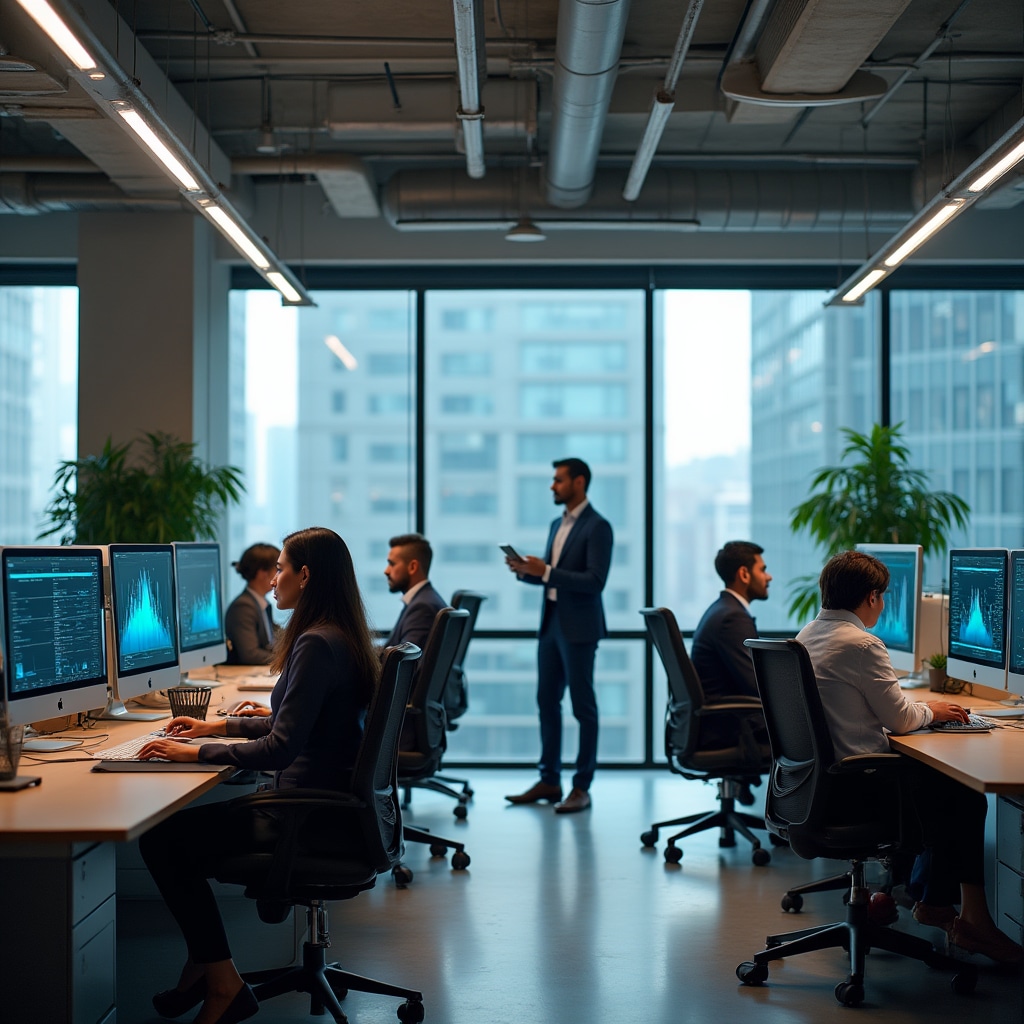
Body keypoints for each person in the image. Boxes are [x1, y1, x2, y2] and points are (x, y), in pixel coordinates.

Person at [137, 527, 381, 1024]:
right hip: (328, 808)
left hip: (305, 816)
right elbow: (294, 722)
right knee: (173, 835)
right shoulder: (339, 635)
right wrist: (218, 724)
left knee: (161, 840)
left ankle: (223, 981)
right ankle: (203, 967)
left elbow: (279, 747)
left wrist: (199, 752)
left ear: (305, 576)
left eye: (282, 569)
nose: (273, 582)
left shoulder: (316, 643)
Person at [797, 549, 1024, 964]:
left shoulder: (807, 635)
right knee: (963, 793)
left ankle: (928, 898)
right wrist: (933, 711)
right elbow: (901, 721)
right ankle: (968, 918)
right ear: (871, 597)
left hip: (818, 787)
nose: (883, 605)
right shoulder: (863, 644)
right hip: (859, 789)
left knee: (940, 782)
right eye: (882, 597)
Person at [504, 457, 613, 814]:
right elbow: (553, 576)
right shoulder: (557, 523)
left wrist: (547, 570)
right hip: (551, 624)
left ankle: (582, 787)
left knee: (584, 707)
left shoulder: (598, 527)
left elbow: (595, 582)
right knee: (546, 703)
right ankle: (550, 780)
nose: (552, 486)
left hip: (580, 629)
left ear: (579, 482)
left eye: (558, 480)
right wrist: (526, 571)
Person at [690, 541, 772, 798]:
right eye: (763, 569)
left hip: (714, 722)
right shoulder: (732, 618)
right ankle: (795, 824)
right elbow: (755, 685)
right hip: (726, 728)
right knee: (813, 737)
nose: (768, 577)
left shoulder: (722, 609)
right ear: (744, 574)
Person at [383, 533, 447, 651]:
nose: (386, 571)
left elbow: (405, 664)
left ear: (412, 567)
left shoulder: (422, 607)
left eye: (392, 564)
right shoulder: (425, 598)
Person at [224, 543, 280, 665]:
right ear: (262, 573)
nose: (279, 576)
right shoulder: (243, 607)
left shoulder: (262, 603)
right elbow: (250, 655)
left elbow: (276, 638)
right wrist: (286, 660)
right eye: (277, 570)